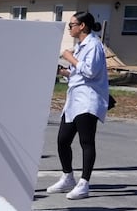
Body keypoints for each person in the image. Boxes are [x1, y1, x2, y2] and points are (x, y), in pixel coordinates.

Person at [46, 11, 110, 199]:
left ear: (82, 26)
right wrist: (62, 71)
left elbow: (90, 71)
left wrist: (69, 57)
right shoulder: (81, 46)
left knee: (86, 141)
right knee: (62, 140)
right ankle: (68, 177)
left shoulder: (94, 45)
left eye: (72, 25)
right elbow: (77, 73)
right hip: (74, 100)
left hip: (88, 100)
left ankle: (84, 182)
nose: (70, 29)